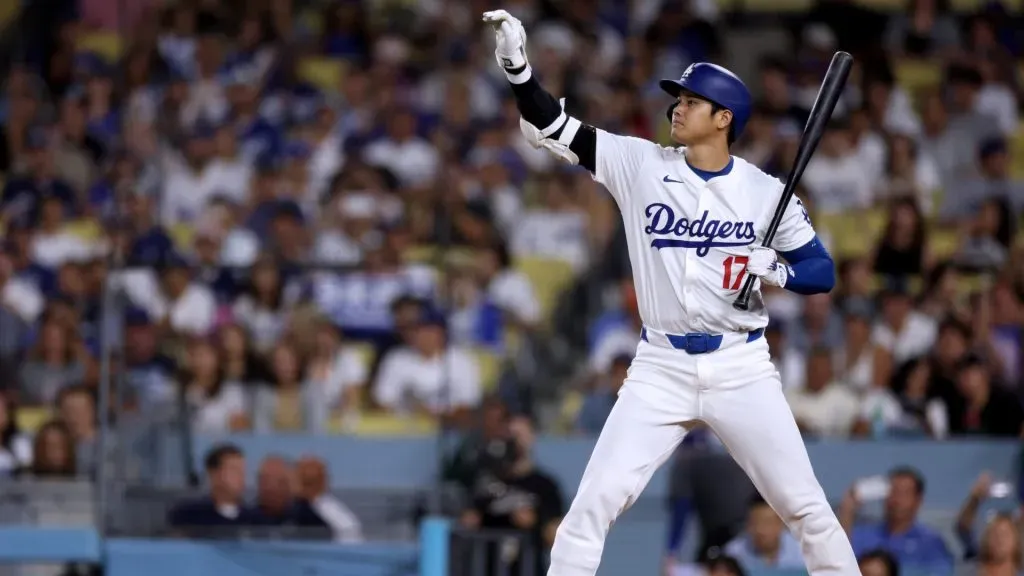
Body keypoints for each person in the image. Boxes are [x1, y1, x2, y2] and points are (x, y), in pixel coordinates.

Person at [481, 9, 857, 576]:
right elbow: (555, 127)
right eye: (677, 97)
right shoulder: (640, 163)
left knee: (805, 508)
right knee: (590, 508)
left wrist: (775, 269)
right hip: (660, 364)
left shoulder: (762, 191)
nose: (676, 106)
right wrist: (518, 68)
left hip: (741, 365)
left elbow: (822, 271)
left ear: (723, 117)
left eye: (690, 100)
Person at [838, 466, 953, 572]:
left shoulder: (931, 542)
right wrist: (847, 511)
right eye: (892, 492)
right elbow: (840, 560)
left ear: (918, 500)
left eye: (904, 493)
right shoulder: (862, 534)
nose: (896, 500)